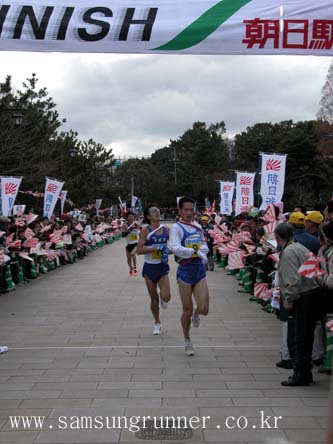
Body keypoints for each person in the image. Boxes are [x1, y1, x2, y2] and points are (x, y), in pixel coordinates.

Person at [275, 223, 321, 386]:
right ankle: (305, 371)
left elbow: (292, 280)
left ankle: (300, 373)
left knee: (299, 337)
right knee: (306, 336)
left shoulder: (288, 252)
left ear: (277, 237)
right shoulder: (300, 247)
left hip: (302, 297)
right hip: (312, 293)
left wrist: (288, 299)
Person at [170, 196, 209, 356]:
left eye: (191, 209)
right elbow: (175, 247)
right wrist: (195, 252)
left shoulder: (198, 226)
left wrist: (202, 251)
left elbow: (205, 245)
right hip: (185, 271)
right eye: (185, 210)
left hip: (199, 271)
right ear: (180, 210)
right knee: (186, 310)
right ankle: (187, 340)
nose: (188, 213)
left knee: (204, 309)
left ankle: (197, 313)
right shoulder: (176, 228)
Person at [136, 204, 171, 335]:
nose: (157, 212)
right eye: (154, 211)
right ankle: (157, 323)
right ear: (148, 216)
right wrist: (156, 248)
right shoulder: (145, 231)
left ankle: (164, 299)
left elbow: (174, 247)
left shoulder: (167, 230)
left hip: (162, 267)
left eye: (158, 210)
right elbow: (138, 250)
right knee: (153, 299)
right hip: (149, 268)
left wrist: (169, 250)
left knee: (166, 297)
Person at [121, 211, 140, 277]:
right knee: (128, 258)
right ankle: (130, 268)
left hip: (136, 242)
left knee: (133, 254)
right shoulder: (125, 225)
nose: (131, 217)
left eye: (132, 216)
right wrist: (130, 230)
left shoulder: (136, 224)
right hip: (128, 243)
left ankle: (134, 268)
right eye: (129, 216)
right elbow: (123, 235)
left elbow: (142, 230)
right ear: (127, 218)